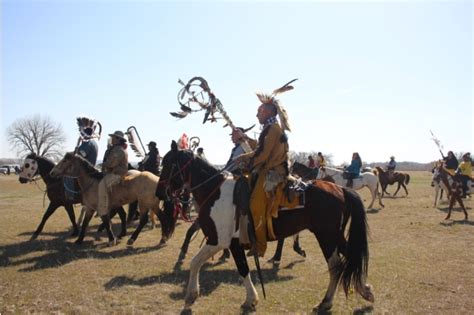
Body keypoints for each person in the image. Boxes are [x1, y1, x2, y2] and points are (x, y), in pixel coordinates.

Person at [237, 89, 295, 257]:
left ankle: (260, 247)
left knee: (255, 205)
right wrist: (246, 140)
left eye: (259, 111)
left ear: (269, 111)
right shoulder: (271, 128)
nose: (257, 115)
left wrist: (246, 162)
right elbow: (262, 147)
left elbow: (262, 155)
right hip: (268, 169)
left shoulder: (272, 129)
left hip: (272, 173)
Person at [65, 119, 99, 201]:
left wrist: (77, 144)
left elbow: (78, 155)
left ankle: (70, 196)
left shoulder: (87, 143)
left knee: (67, 176)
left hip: (85, 169)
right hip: (90, 167)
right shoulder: (94, 143)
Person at [97, 131, 128, 217]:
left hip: (118, 174)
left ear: (118, 139)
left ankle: (103, 209)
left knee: (102, 184)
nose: (112, 139)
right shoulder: (115, 148)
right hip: (112, 172)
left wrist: (103, 164)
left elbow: (112, 163)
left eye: (114, 137)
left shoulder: (119, 150)